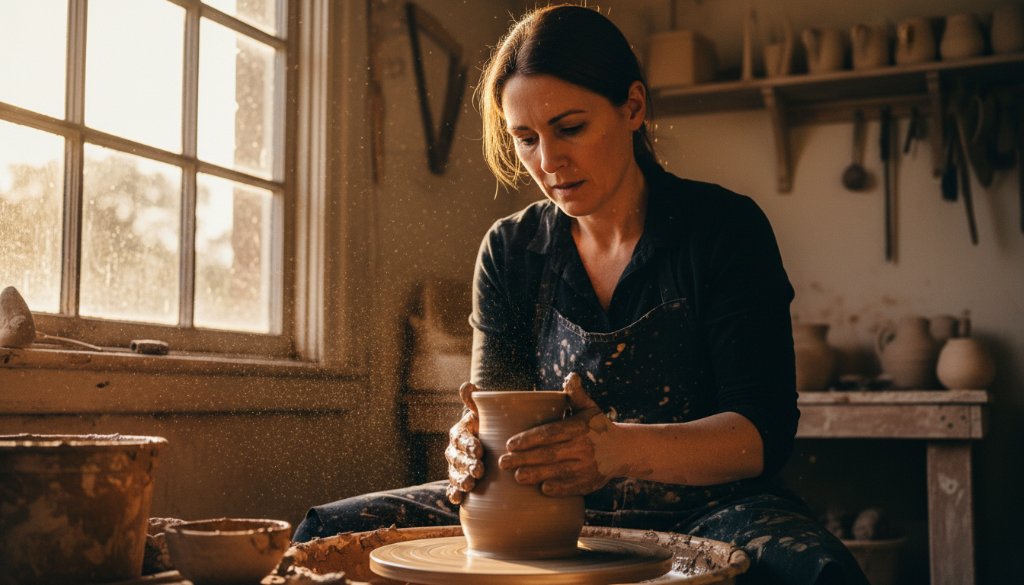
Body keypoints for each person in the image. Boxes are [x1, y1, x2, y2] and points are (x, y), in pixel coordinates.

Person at [295, 5, 869, 584]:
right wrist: (469, 446)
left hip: (709, 509)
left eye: (570, 128)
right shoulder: (511, 250)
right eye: (525, 139)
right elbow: (494, 416)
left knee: (818, 571)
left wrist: (616, 450)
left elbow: (762, 436)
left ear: (633, 108)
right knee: (326, 535)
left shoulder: (724, 229)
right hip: (547, 505)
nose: (548, 162)